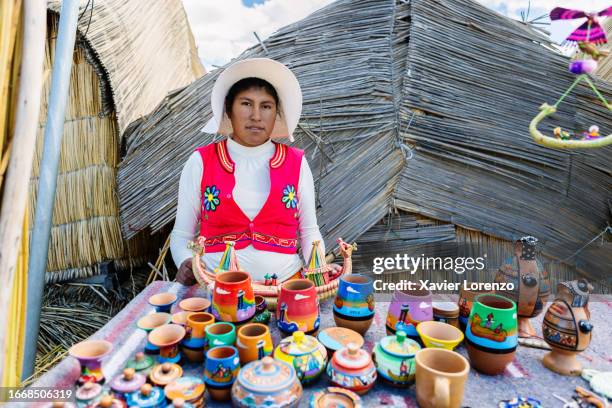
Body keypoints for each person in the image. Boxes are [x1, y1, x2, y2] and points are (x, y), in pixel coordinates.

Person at [170, 58, 331, 285]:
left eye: (266, 106)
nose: (256, 115)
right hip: (214, 288)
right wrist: (186, 262)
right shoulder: (201, 162)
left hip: (284, 288)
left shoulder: (295, 163)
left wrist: (317, 266)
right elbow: (181, 236)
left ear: (276, 113)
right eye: (246, 104)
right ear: (228, 108)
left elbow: (310, 231)